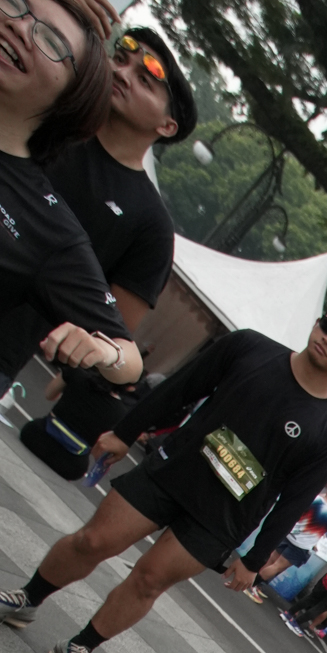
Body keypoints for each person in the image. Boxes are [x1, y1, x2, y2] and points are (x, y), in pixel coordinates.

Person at [0, 309, 327, 653]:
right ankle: (27, 598)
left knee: (148, 582)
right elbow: (179, 388)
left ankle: (81, 646)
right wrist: (125, 433)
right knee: (92, 541)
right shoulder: (249, 347)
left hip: (220, 520)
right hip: (171, 472)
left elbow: (293, 503)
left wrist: (254, 560)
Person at [3, 25, 193, 477]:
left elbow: (114, 339)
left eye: (145, 80)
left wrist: (86, 363)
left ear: (167, 126)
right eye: (120, 59)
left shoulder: (150, 225)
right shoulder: (43, 120)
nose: (122, 73)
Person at [0, 0, 143, 401]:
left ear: (70, 98)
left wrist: (104, 351)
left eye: (50, 41)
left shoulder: (45, 223)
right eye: (17, 6)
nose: (20, 28)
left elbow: (129, 360)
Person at [245, 481, 327, 600]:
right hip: (301, 546)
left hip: (289, 533)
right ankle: (251, 585)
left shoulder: (314, 499)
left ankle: (253, 582)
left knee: (271, 560)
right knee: (277, 567)